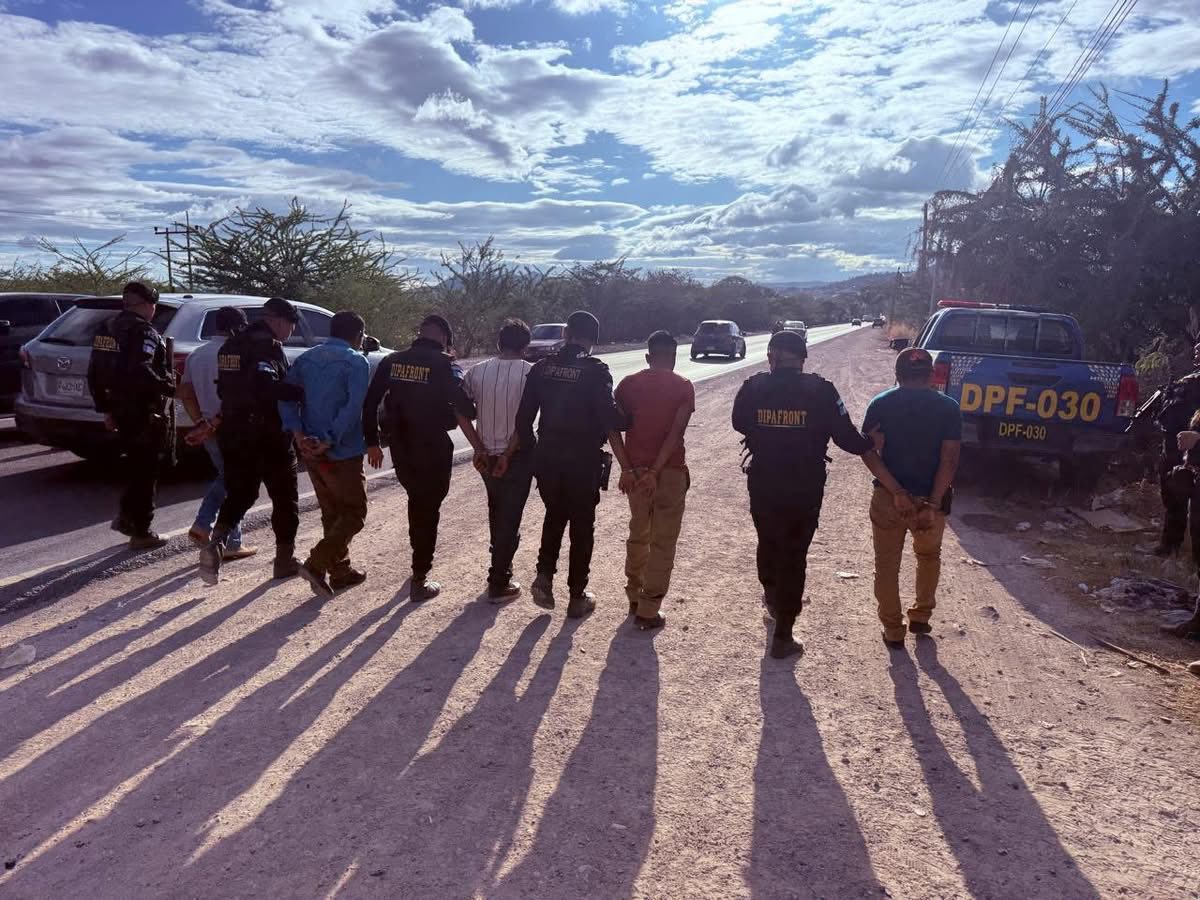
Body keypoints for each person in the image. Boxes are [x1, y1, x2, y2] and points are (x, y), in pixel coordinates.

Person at [731, 329, 874, 660]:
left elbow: (739, 423)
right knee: (794, 554)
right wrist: (871, 442)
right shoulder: (821, 390)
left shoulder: (753, 387)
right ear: (802, 359)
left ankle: (772, 596)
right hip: (804, 485)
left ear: (772, 356)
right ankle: (783, 633)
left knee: (768, 541)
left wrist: (768, 431)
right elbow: (846, 438)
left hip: (764, 481)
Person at [363, 314, 480, 602]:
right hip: (432, 446)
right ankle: (420, 576)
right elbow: (463, 404)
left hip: (400, 445)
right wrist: (472, 409)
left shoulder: (393, 360)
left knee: (417, 501)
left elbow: (370, 401)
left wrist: (372, 442)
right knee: (429, 507)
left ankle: (419, 563)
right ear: (443, 337)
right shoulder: (445, 364)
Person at [515, 310, 623, 618]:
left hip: (547, 457)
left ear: (566, 334)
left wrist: (535, 455)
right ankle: (577, 595)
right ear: (593, 340)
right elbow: (611, 418)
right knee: (582, 525)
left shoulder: (542, 368)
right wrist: (631, 416)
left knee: (554, 514)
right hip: (583, 460)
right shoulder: (595, 371)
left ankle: (544, 576)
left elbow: (523, 420)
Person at [860, 347, 963, 649]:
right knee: (928, 556)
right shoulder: (948, 408)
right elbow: (949, 459)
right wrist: (933, 503)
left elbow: (868, 451)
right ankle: (920, 616)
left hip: (888, 499)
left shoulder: (880, 404)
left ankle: (893, 630)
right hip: (931, 499)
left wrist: (897, 492)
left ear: (898, 375)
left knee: (887, 565)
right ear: (931, 375)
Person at [198, 297, 305, 585]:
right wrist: (301, 393)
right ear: (279, 321)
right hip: (267, 435)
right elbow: (266, 386)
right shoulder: (266, 347)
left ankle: (216, 543)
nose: (291, 332)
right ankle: (284, 560)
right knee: (285, 499)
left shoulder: (230, 346)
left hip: (233, 433)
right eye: (291, 326)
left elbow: (226, 391)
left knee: (241, 494)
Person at [280, 311, 372, 598]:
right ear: (358, 335)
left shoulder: (305, 359)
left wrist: (298, 434)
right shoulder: (356, 361)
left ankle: (340, 571)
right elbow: (352, 408)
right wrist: (329, 440)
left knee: (331, 511)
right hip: (342, 451)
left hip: (310, 449)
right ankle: (316, 563)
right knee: (354, 513)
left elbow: (286, 399)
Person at [608, 330, 695, 631]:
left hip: (635, 473)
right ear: (674, 356)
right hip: (669, 473)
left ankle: (634, 596)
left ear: (647, 356)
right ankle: (649, 609)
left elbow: (612, 428)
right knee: (663, 542)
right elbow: (676, 433)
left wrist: (627, 469)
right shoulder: (683, 386)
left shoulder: (627, 385)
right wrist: (655, 472)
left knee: (638, 534)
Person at [86, 281, 174, 551]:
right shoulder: (144, 331)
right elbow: (141, 369)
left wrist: (106, 409)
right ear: (147, 305)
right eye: (154, 305)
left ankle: (127, 518)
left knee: (137, 467)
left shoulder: (107, 328)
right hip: (143, 411)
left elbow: (94, 372)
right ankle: (141, 530)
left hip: (120, 408)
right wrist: (170, 388)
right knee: (146, 470)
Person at [463, 319, 534, 602]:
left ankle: (500, 567)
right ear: (526, 346)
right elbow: (525, 421)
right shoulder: (531, 373)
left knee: (496, 509)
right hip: (517, 455)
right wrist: (507, 454)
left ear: (498, 343)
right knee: (510, 516)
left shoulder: (476, 372)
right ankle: (499, 579)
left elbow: (460, 411)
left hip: (486, 457)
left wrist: (478, 448)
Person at [178, 306, 256, 562]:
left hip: (209, 429)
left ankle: (228, 538)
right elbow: (240, 396)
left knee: (229, 479)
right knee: (234, 481)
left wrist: (201, 422)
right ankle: (209, 527)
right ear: (240, 327)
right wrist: (213, 422)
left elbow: (186, 393)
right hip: (235, 427)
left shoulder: (197, 355)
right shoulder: (242, 353)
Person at [1152, 341, 1200, 557]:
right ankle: (1170, 545)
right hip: (1174, 447)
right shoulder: (1188, 380)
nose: (1197, 349)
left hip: (1195, 454)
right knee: (1172, 497)